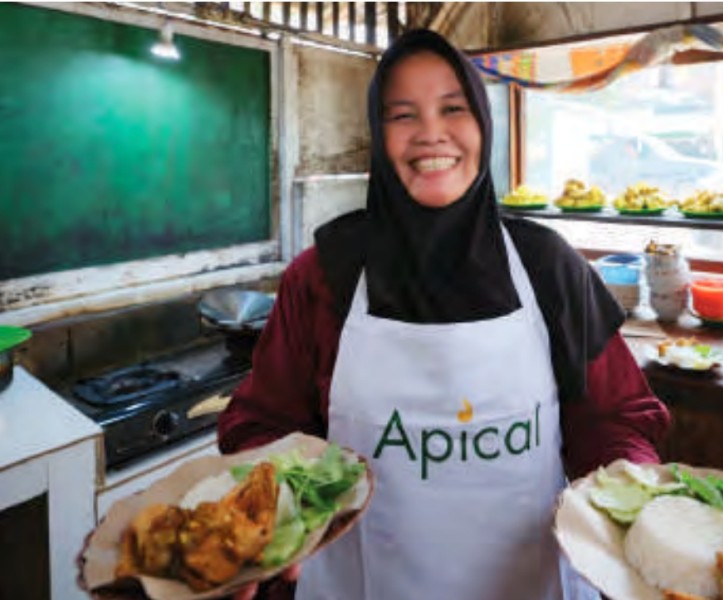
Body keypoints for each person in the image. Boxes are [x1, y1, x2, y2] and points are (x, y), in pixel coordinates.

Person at [220, 28, 670, 600]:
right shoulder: (322, 276)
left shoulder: (547, 265)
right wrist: (277, 509)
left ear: (483, 122)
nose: (430, 133)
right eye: (402, 115)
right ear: (377, 135)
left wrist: (635, 505)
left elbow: (613, 419)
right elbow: (262, 420)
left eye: (453, 108)